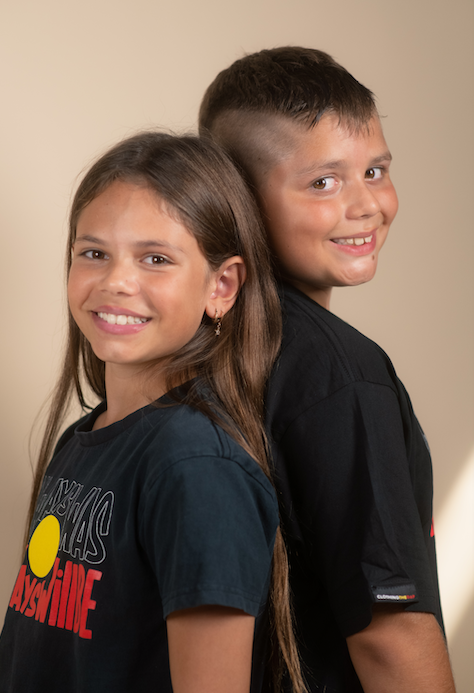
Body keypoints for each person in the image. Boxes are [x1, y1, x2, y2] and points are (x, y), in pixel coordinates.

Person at [0, 132, 306, 693]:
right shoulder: (82, 440)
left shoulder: (196, 467)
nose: (116, 281)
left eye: (156, 259)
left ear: (221, 285)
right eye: (94, 253)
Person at [199, 47, 456, 692]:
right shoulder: (343, 376)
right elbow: (391, 633)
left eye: (375, 169)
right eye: (324, 181)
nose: (367, 203)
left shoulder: (201, 339)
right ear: (237, 200)